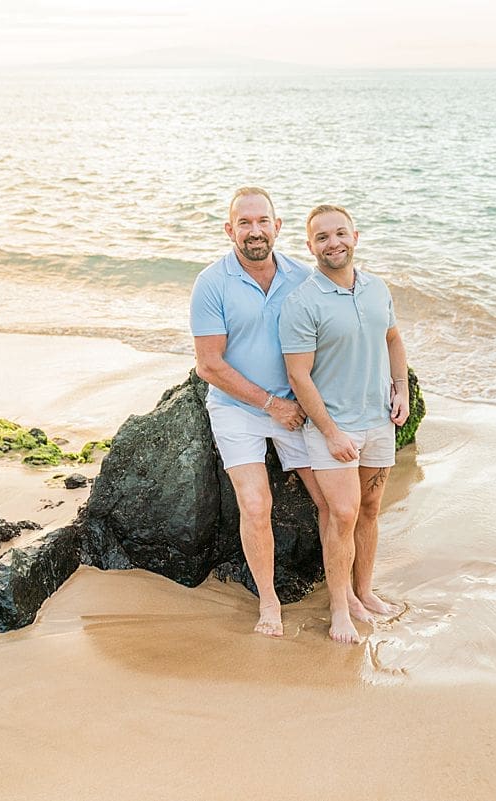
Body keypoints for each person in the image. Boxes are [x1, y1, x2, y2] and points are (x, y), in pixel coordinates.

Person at [190, 187, 329, 638]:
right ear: (229, 230)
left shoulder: (303, 277)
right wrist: (272, 406)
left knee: (332, 500)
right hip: (237, 409)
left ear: (277, 226)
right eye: (244, 223)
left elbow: (332, 337)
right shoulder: (212, 282)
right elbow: (209, 365)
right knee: (255, 504)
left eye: (262, 221)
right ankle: (269, 602)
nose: (255, 231)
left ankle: (344, 592)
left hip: (296, 406)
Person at [280, 204, 409, 644]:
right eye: (322, 237)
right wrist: (331, 432)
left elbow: (393, 339)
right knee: (342, 514)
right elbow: (298, 375)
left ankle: (364, 592)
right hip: (332, 427)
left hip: (378, 421)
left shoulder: (377, 288)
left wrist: (401, 391)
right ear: (310, 246)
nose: (333, 243)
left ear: (355, 236)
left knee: (370, 509)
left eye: (340, 233)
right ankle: (340, 608)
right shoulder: (301, 302)